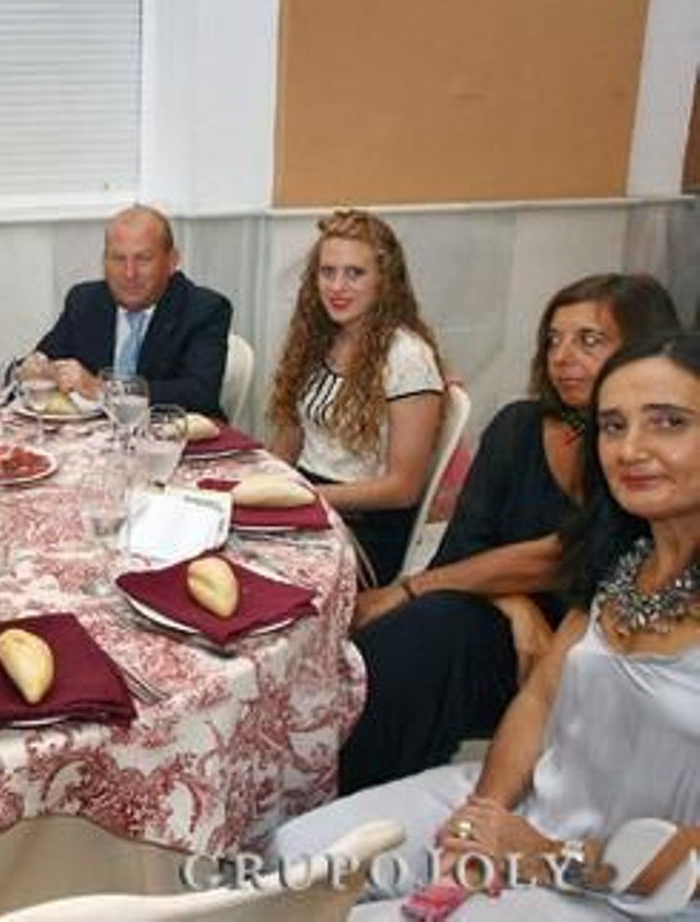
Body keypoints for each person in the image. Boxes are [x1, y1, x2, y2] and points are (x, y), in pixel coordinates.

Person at [272, 331, 700, 919]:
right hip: (528, 806)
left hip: (634, 887)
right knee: (289, 856)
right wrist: (484, 816)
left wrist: (544, 856)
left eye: (669, 423)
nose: (630, 449)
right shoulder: (624, 558)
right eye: (613, 425)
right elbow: (541, 699)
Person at [340, 274, 682, 793]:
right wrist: (515, 603)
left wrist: (409, 588)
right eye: (553, 339)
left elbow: (575, 554)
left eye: (588, 340)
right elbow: (464, 545)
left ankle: (351, 801)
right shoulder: (519, 426)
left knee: (424, 631)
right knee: (409, 641)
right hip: (495, 619)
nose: (562, 355)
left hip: (589, 644)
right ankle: (346, 794)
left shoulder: (642, 462)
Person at [267, 208, 444, 584]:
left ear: (385, 280)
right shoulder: (318, 338)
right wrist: (265, 484)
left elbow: (402, 488)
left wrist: (308, 496)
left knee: (266, 581)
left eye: (355, 273)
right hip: (308, 499)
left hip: (368, 525)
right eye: (327, 272)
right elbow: (290, 439)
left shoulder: (407, 357)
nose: (337, 287)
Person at [20, 204, 231, 416]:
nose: (129, 273)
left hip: (172, 443)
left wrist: (103, 389)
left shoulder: (204, 309)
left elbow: (200, 394)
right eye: (118, 258)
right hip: (93, 442)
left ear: (171, 261)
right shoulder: (85, 301)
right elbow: (40, 360)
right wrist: (30, 371)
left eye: (143, 259)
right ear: (104, 261)